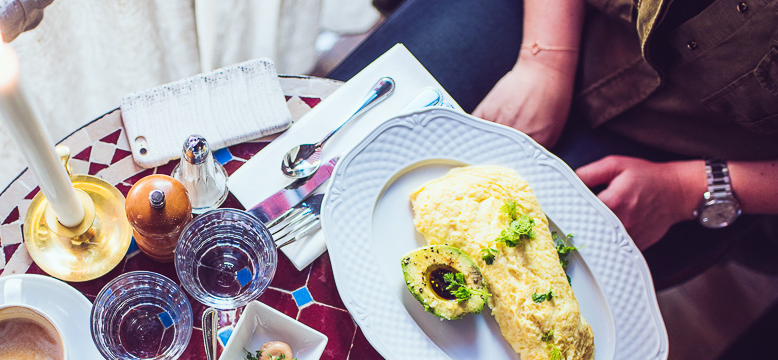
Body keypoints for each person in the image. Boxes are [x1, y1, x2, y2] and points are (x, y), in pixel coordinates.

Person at [330, 0, 778, 286]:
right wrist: (547, 62)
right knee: (336, 152)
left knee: (502, 291)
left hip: (691, 148)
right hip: (556, 15)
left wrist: (687, 187)